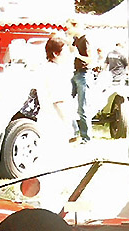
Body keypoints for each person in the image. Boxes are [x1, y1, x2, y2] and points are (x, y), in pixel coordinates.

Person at [35, 35, 73, 169]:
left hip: (45, 118)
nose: (68, 55)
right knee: (55, 161)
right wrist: (68, 123)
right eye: (66, 52)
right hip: (55, 120)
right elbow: (58, 101)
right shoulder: (56, 72)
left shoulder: (44, 68)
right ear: (55, 53)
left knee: (46, 159)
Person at [66, 18, 92, 143]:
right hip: (75, 73)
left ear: (76, 26)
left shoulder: (85, 40)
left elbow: (90, 60)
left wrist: (77, 54)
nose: (68, 30)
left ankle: (86, 137)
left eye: (69, 27)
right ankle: (74, 132)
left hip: (83, 74)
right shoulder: (75, 40)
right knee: (66, 102)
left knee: (82, 108)